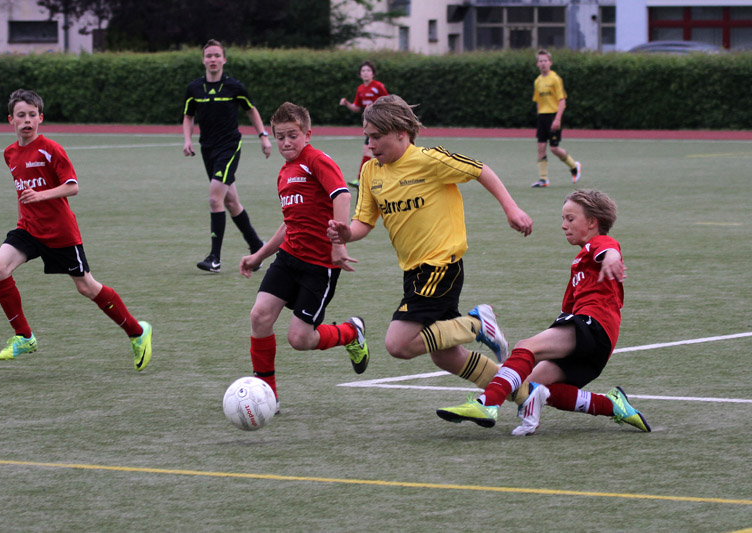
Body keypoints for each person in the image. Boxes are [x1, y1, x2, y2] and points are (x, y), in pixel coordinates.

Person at [327, 94, 536, 412]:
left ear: (401, 132)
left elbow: (480, 170)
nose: (370, 144)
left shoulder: (430, 160)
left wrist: (512, 209)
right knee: (446, 356)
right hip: (413, 272)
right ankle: (526, 395)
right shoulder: (370, 172)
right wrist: (346, 235)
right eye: (367, 137)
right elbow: (364, 223)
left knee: (398, 343)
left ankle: (476, 323)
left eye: (377, 136)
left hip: (440, 266)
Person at [437, 190, 651, 435]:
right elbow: (566, 312)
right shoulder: (580, 261)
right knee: (534, 386)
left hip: (594, 326)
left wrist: (612, 258)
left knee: (526, 347)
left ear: (592, 222)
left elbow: (610, 248)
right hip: (599, 341)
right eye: (563, 219)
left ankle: (487, 404)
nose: (563, 225)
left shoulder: (597, 244)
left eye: (570, 219)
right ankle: (613, 405)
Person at [0, 89, 152, 370]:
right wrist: (22, 218)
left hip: (60, 233)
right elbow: (22, 192)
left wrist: (41, 196)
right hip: (28, 229)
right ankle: (24, 336)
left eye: (32, 115)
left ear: (40, 118)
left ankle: (137, 332)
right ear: (10, 120)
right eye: (21, 115)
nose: (27, 120)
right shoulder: (10, 153)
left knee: (86, 287)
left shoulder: (50, 149)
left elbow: (72, 187)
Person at [239, 102, 370, 408]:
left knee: (300, 339)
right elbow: (290, 224)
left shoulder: (316, 161)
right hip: (288, 259)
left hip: (319, 267)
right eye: (280, 137)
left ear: (307, 135)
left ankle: (350, 332)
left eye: (292, 136)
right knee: (259, 316)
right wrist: (259, 256)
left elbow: (343, 195)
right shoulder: (284, 173)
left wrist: (338, 244)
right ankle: (267, 394)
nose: (286, 142)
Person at [183, 39, 271, 273]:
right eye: (208, 56)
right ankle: (257, 246)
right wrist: (187, 139)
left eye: (216, 55)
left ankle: (214, 258)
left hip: (229, 147)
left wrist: (263, 136)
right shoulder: (194, 88)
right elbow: (189, 116)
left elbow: (251, 110)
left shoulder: (234, 87)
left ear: (224, 59)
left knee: (215, 199)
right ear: (203, 60)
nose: (212, 59)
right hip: (207, 149)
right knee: (231, 201)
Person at [531, 49, 581, 188]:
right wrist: (539, 116)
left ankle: (574, 166)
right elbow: (538, 101)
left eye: (545, 61)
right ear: (537, 64)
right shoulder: (538, 81)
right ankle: (543, 179)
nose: (543, 63)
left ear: (550, 63)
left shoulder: (555, 79)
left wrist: (557, 119)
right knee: (541, 147)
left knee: (554, 148)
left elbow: (562, 100)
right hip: (542, 117)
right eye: (540, 61)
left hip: (553, 115)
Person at [338, 60, 388, 188]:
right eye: (363, 71)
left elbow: (388, 102)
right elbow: (356, 107)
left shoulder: (378, 86)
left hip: (379, 122)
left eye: (368, 71)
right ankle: (362, 179)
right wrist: (346, 103)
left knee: (374, 150)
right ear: (360, 74)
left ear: (373, 74)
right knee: (369, 150)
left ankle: (367, 178)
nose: (365, 73)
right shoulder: (360, 89)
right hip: (370, 124)